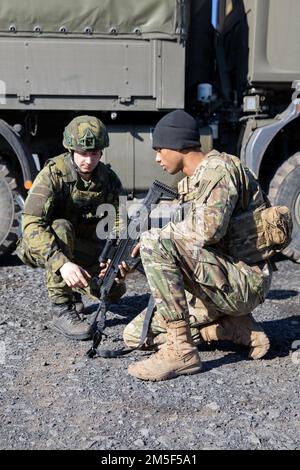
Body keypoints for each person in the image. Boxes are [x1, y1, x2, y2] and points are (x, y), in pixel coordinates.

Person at [124, 109, 273, 381]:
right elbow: (179, 256)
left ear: (178, 145)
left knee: (155, 240)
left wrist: (155, 239)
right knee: (136, 335)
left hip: (244, 282)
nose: (157, 158)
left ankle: (181, 351)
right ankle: (228, 328)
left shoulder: (219, 170)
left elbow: (209, 230)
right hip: (218, 282)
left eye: (160, 149)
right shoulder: (195, 181)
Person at [16, 116, 126, 340]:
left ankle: (76, 291)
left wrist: (114, 259)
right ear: (71, 150)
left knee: (112, 291)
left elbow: (117, 224)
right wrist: (62, 264)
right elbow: (30, 224)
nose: (88, 160)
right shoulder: (52, 175)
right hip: (45, 243)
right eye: (83, 153)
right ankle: (62, 309)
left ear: (101, 153)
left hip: (83, 246)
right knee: (61, 226)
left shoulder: (109, 179)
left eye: (94, 153)